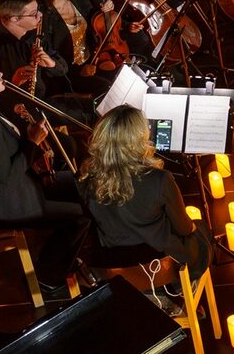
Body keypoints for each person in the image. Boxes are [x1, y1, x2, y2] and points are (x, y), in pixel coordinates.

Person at [0, 54, 83, 293]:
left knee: (83, 185)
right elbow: (6, 177)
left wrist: (31, 141)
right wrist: (31, 142)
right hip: (6, 203)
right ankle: (48, 276)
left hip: (22, 187)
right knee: (79, 216)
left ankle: (69, 255)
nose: (0, 73)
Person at [78, 105, 211, 282]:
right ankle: (179, 290)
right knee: (201, 232)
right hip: (158, 266)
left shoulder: (85, 178)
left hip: (113, 267)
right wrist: (193, 227)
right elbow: (183, 228)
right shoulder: (159, 179)